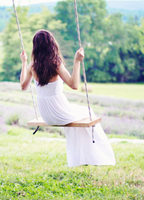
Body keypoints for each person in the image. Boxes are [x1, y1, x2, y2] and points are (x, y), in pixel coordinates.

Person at [19, 30, 115, 167]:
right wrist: (77, 62)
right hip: (60, 112)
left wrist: (24, 62)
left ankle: (83, 158)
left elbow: (23, 86)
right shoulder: (55, 63)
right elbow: (74, 85)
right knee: (88, 112)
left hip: (46, 115)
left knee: (81, 114)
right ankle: (95, 155)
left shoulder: (32, 66)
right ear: (51, 44)